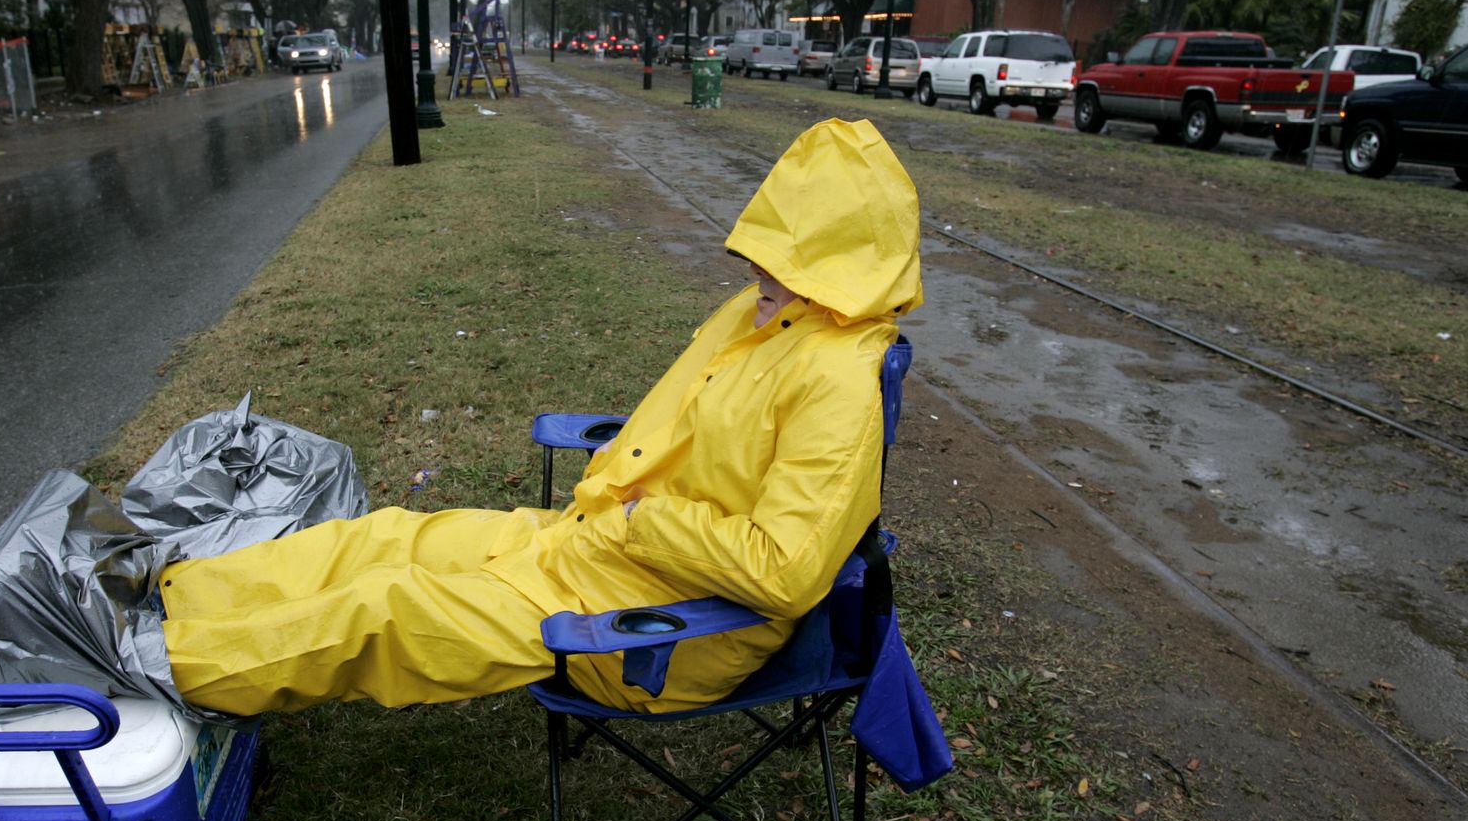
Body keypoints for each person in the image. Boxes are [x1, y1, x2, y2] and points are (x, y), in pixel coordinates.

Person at [161, 118, 924, 718]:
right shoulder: (762, 318)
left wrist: (641, 521)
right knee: (388, 538)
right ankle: (169, 595)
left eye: (781, 262)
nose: (756, 271)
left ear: (838, 271)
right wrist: (622, 515)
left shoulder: (837, 379)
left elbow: (782, 572)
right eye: (763, 249)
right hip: (595, 547)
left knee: (388, 607)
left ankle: (156, 666)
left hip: (660, 627)